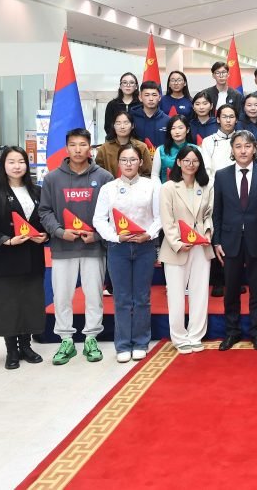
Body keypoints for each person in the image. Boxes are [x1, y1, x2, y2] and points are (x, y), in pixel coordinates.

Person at [38, 128, 113, 365]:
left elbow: (112, 214)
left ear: (90, 147)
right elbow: (44, 211)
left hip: (93, 248)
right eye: (73, 145)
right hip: (63, 248)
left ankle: (91, 338)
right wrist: (60, 232)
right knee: (61, 296)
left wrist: (98, 236)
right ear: (66, 147)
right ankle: (66, 340)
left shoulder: (104, 177)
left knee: (94, 296)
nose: (78, 149)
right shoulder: (52, 178)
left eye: (82, 144)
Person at [0, 147, 48, 370]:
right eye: (11, 162)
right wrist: (6, 240)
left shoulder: (37, 191)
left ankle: (26, 346)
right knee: (8, 304)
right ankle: (12, 350)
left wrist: (44, 236)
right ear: (3, 165)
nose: (17, 166)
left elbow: (44, 220)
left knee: (29, 302)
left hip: (32, 256)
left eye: (21, 161)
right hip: (5, 258)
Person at [94, 144, 162, 363]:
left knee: (141, 297)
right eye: (124, 160)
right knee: (122, 298)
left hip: (145, 247)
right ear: (118, 163)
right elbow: (99, 219)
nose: (128, 164)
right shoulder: (109, 188)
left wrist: (149, 234)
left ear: (140, 162)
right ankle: (123, 344)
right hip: (118, 248)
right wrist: (115, 237)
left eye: (133, 160)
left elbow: (160, 217)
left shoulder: (152, 186)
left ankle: (141, 342)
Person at [213, 131, 257, 351]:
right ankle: (232, 332)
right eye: (238, 146)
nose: (243, 150)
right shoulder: (221, 175)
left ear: (255, 149)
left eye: (247, 146)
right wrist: (217, 241)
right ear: (232, 149)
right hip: (229, 240)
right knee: (231, 289)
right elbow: (217, 211)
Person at [159, 146, 214, 354]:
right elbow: (167, 219)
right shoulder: (168, 187)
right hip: (177, 247)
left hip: (201, 245)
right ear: (179, 162)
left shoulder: (206, 186)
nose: (191, 165)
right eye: (187, 161)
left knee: (200, 292)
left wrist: (207, 233)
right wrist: (177, 242)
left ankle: (196, 335)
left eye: (195, 161)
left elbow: (208, 214)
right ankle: (179, 337)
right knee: (175, 294)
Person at [95, 111, 152, 178]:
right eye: (118, 123)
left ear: (132, 126)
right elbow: (98, 173)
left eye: (126, 123)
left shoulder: (141, 147)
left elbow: (148, 173)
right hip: (111, 183)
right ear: (114, 126)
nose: (122, 127)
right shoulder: (104, 148)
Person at [153, 116, 197, 183]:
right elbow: (155, 175)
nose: (177, 132)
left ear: (187, 130)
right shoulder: (161, 150)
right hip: (166, 187)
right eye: (173, 128)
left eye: (180, 128)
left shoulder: (196, 149)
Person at [200, 105, 238, 177]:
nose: (228, 120)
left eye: (231, 117)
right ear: (218, 119)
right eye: (224, 117)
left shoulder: (241, 141)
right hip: (213, 182)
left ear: (236, 120)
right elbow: (206, 168)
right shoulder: (208, 141)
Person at [130, 81, 171, 148]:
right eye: (147, 95)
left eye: (154, 95)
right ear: (140, 97)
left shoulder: (168, 120)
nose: (151, 99)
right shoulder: (131, 118)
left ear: (160, 97)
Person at [103, 72, 141, 140]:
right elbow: (108, 127)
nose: (128, 85)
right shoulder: (112, 104)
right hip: (116, 142)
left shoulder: (141, 104)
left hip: (137, 141)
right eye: (125, 82)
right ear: (120, 86)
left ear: (136, 86)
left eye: (131, 82)